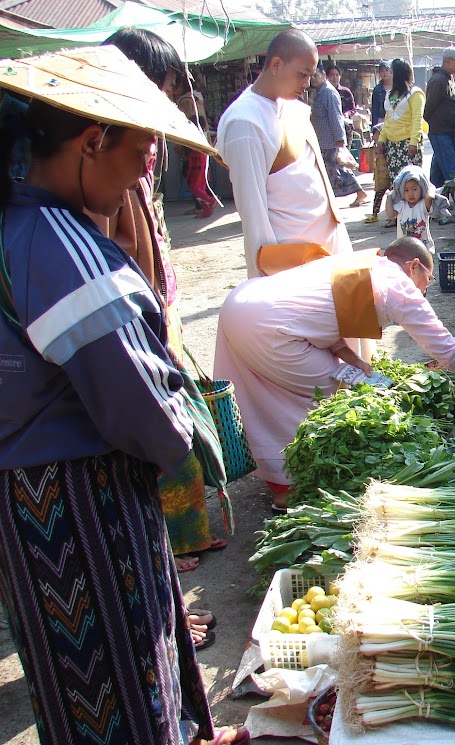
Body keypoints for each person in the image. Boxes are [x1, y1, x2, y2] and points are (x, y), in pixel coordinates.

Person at [0, 45, 251, 745]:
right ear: (90, 143)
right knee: (126, 676)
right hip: (85, 503)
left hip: (27, 503)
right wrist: (182, 433)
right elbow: (143, 409)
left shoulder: (18, 227)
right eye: (143, 150)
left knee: (72, 681)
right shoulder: (61, 248)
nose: (149, 169)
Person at [214, 237, 455, 499]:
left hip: (242, 303)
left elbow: (314, 310)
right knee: (326, 401)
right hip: (266, 327)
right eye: (427, 278)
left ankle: (276, 477)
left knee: (269, 393)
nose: (425, 289)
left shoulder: (366, 262)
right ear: (413, 266)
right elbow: (449, 351)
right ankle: (290, 486)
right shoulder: (399, 286)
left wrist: (350, 357)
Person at [101, 27, 229, 584]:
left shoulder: (140, 146)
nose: (169, 102)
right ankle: (164, 553)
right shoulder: (107, 152)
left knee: (179, 416)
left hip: (161, 304)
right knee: (159, 428)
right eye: (166, 86)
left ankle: (183, 538)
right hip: (130, 313)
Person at [217, 28, 352, 278]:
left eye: (310, 75)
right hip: (293, 265)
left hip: (327, 251)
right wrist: (267, 285)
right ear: (276, 65)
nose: (306, 84)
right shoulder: (245, 122)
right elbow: (253, 214)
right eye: (302, 74)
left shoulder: (291, 107)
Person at [367, 58, 425, 226]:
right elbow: (388, 119)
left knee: (412, 184)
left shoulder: (415, 94)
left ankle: (415, 216)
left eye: (391, 72)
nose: (388, 75)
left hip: (408, 144)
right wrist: (382, 140)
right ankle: (398, 216)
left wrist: (414, 142)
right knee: (396, 183)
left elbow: (417, 120)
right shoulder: (390, 94)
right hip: (392, 146)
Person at [309, 63, 368, 207]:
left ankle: (359, 192)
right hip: (323, 141)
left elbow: (336, 117)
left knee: (336, 171)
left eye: (315, 75)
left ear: (323, 75)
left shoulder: (328, 93)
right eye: (311, 76)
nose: (313, 79)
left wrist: (340, 141)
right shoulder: (320, 92)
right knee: (333, 171)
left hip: (331, 141)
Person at [176, 71, 219, 219]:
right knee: (198, 180)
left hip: (193, 145)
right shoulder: (197, 98)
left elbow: (191, 121)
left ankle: (207, 202)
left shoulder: (187, 100)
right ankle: (204, 206)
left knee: (193, 181)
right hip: (201, 143)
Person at [424, 48, 455, 189]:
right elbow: (429, 107)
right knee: (452, 171)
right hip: (440, 132)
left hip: (444, 132)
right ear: (448, 61)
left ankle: (435, 201)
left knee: (438, 172)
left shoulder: (445, 79)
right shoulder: (439, 80)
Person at [385, 164, 434, 252]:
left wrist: (431, 187)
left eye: (414, 189)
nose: (411, 193)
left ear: (422, 188)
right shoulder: (401, 205)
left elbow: (429, 197)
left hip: (423, 248)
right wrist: (389, 197)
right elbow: (390, 215)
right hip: (404, 248)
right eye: (406, 190)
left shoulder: (423, 205)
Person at [371, 60, 390, 127]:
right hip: (381, 120)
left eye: (387, 70)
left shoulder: (397, 88)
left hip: (395, 121)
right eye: (382, 71)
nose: (385, 73)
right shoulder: (377, 90)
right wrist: (374, 127)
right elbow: (374, 110)